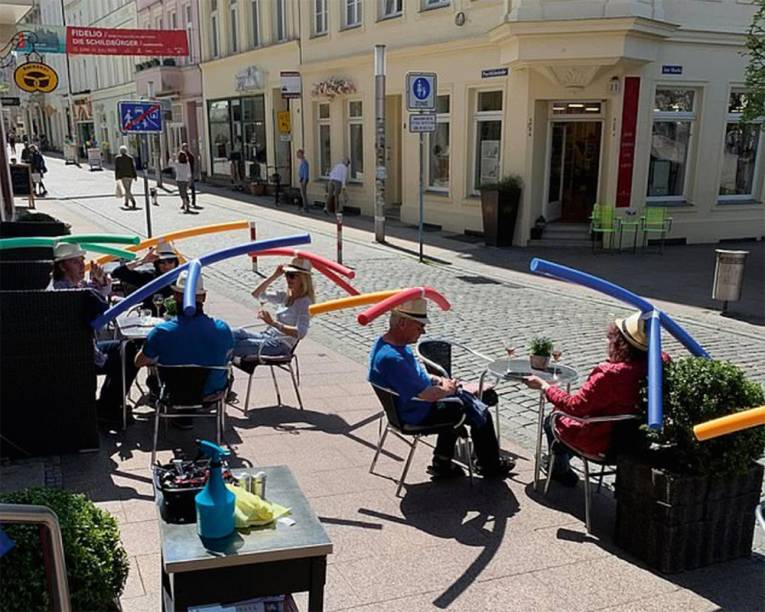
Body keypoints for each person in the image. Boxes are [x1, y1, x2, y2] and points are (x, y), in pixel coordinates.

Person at [368, 299, 515, 479]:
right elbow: (428, 395)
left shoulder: (386, 345)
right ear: (402, 323)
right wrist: (450, 389)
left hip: (406, 408)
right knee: (480, 409)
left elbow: (415, 377)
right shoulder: (393, 358)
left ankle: (442, 460)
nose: (423, 331)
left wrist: (439, 380)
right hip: (416, 413)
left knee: (478, 398)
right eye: (419, 326)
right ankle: (489, 467)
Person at [522, 312, 653, 487]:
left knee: (552, 420)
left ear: (619, 343)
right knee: (562, 418)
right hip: (637, 441)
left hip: (602, 441)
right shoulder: (658, 363)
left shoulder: (611, 374)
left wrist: (545, 387)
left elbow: (575, 406)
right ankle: (559, 461)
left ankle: (560, 470)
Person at [49, 242, 138, 427]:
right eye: (75, 262)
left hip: (87, 349)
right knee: (129, 354)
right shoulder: (62, 293)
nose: (83, 266)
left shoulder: (72, 286)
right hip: (80, 356)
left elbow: (95, 294)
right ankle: (108, 407)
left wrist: (100, 282)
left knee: (128, 348)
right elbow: (98, 313)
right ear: (62, 266)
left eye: (82, 260)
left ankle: (108, 404)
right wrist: (98, 288)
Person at [135, 270, 234, 428]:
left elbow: (138, 362)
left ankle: (179, 417)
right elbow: (228, 355)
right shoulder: (223, 329)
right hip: (211, 394)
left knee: (155, 376)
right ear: (203, 297)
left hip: (173, 393)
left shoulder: (162, 332)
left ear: (175, 296)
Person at [232, 257, 314, 358]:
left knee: (233, 345)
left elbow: (301, 333)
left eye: (292, 276)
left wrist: (273, 323)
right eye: (287, 275)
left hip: (280, 345)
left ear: (303, 279)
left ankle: (215, 370)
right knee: (233, 333)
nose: (288, 279)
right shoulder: (286, 296)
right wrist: (274, 275)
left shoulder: (305, 303)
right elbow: (257, 294)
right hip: (268, 336)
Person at [111, 242, 180, 313]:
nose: (166, 265)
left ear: (175, 262)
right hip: (151, 320)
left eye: (170, 261)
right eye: (162, 262)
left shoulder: (182, 278)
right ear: (157, 263)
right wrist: (142, 261)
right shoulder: (149, 276)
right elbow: (117, 273)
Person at [181, 142, 200, 209]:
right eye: (184, 147)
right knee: (184, 189)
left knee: (192, 187)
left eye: (186, 147)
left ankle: (193, 201)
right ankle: (186, 202)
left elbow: (192, 165)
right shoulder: (181, 156)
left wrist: (191, 174)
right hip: (183, 174)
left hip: (190, 173)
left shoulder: (190, 156)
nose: (185, 149)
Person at [297, 149, 310, 213]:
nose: (297, 155)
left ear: (302, 154)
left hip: (303, 179)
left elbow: (306, 172)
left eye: (298, 154)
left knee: (303, 194)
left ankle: (305, 208)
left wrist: (304, 180)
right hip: (302, 179)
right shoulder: (302, 161)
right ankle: (305, 207)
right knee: (302, 194)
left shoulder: (304, 162)